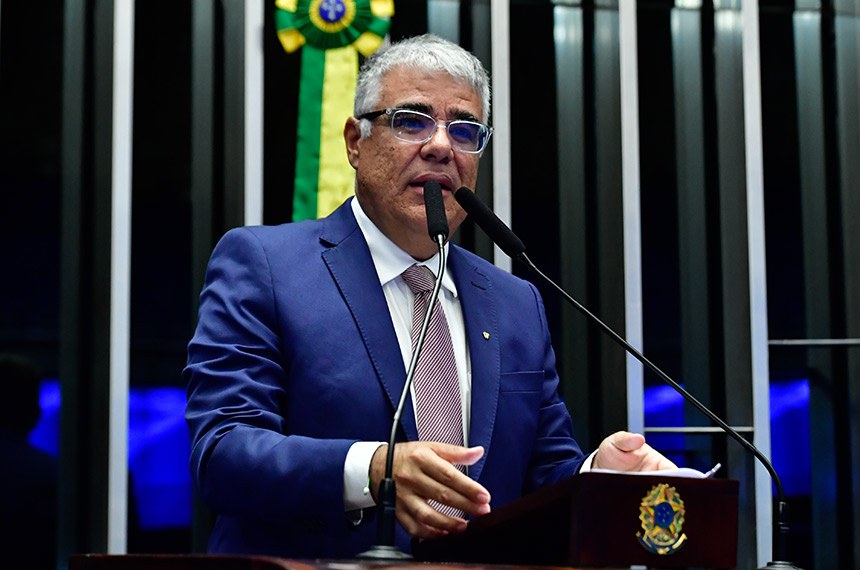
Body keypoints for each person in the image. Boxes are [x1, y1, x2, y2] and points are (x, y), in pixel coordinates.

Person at [184, 33, 675, 559]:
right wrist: (375, 469)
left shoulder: (515, 303)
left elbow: (540, 476)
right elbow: (223, 452)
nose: (441, 146)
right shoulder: (266, 264)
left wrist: (598, 474)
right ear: (355, 141)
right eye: (411, 121)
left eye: (464, 131)